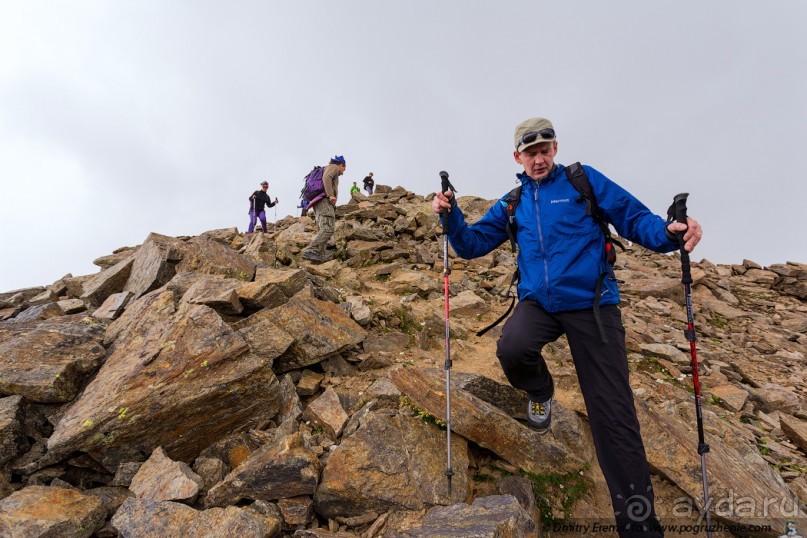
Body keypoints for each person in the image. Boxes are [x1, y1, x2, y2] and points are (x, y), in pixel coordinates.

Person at [431, 118, 702, 537]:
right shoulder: (513, 201)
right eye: (530, 152)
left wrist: (669, 233)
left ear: (555, 149)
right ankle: (540, 391)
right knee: (512, 348)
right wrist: (452, 219)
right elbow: (471, 245)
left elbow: (634, 220)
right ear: (517, 157)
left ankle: (639, 529)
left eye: (544, 150)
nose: (538, 159)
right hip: (539, 301)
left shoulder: (583, 182)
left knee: (613, 417)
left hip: (593, 304)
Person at [302, 155, 346, 262]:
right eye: (344, 168)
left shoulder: (328, 168)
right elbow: (326, 177)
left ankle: (319, 255)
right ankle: (311, 250)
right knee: (328, 229)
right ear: (341, 165)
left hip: (318, 202)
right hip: (324, 201)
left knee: (323, 229)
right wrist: (331, 195)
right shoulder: (334, 167)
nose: (344, 171)